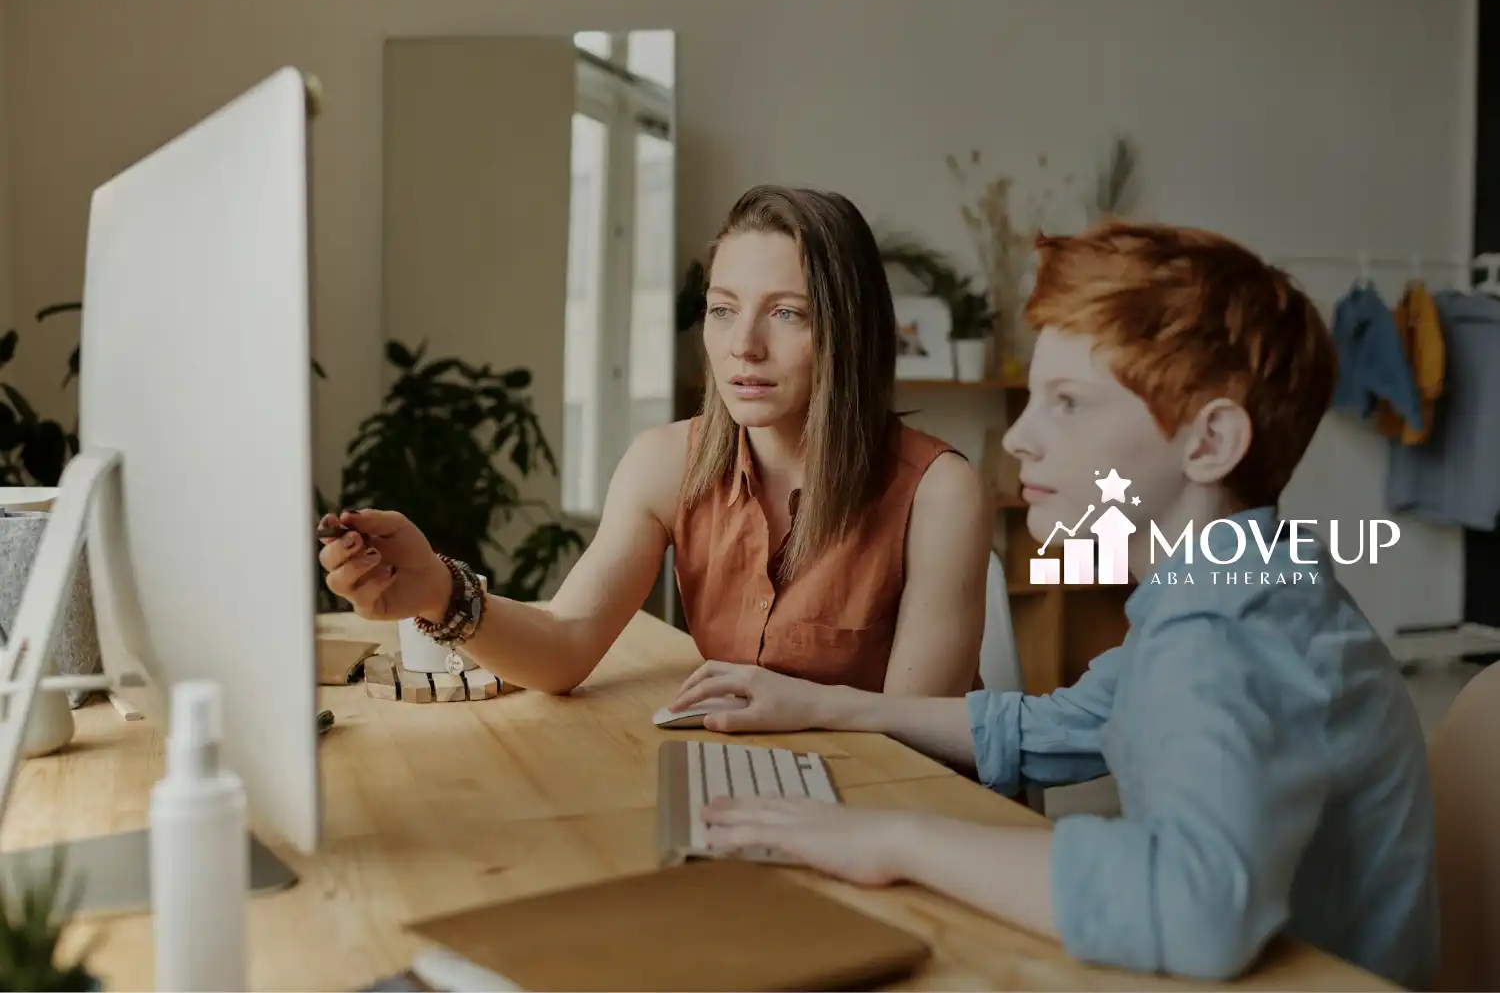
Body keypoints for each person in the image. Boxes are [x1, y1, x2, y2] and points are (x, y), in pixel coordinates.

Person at [668, 221, 1439, 988]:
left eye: (1067, 403)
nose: (1020, 441)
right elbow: (1051, 725)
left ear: (1209, 444)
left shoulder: (1226, 631)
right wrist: (821, 703)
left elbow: (1194, 908)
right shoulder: (1244, 582)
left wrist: (894, 841)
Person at [317, 184, 990, 697]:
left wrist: (782, 711)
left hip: (889, 812)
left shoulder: (940, 493)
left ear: (851, 331)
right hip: (750, 788)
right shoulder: (666, 463)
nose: (743, 347)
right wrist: (437, 590)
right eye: (723, 310)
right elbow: (564, 645)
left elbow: (917, 741)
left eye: (787, 314)